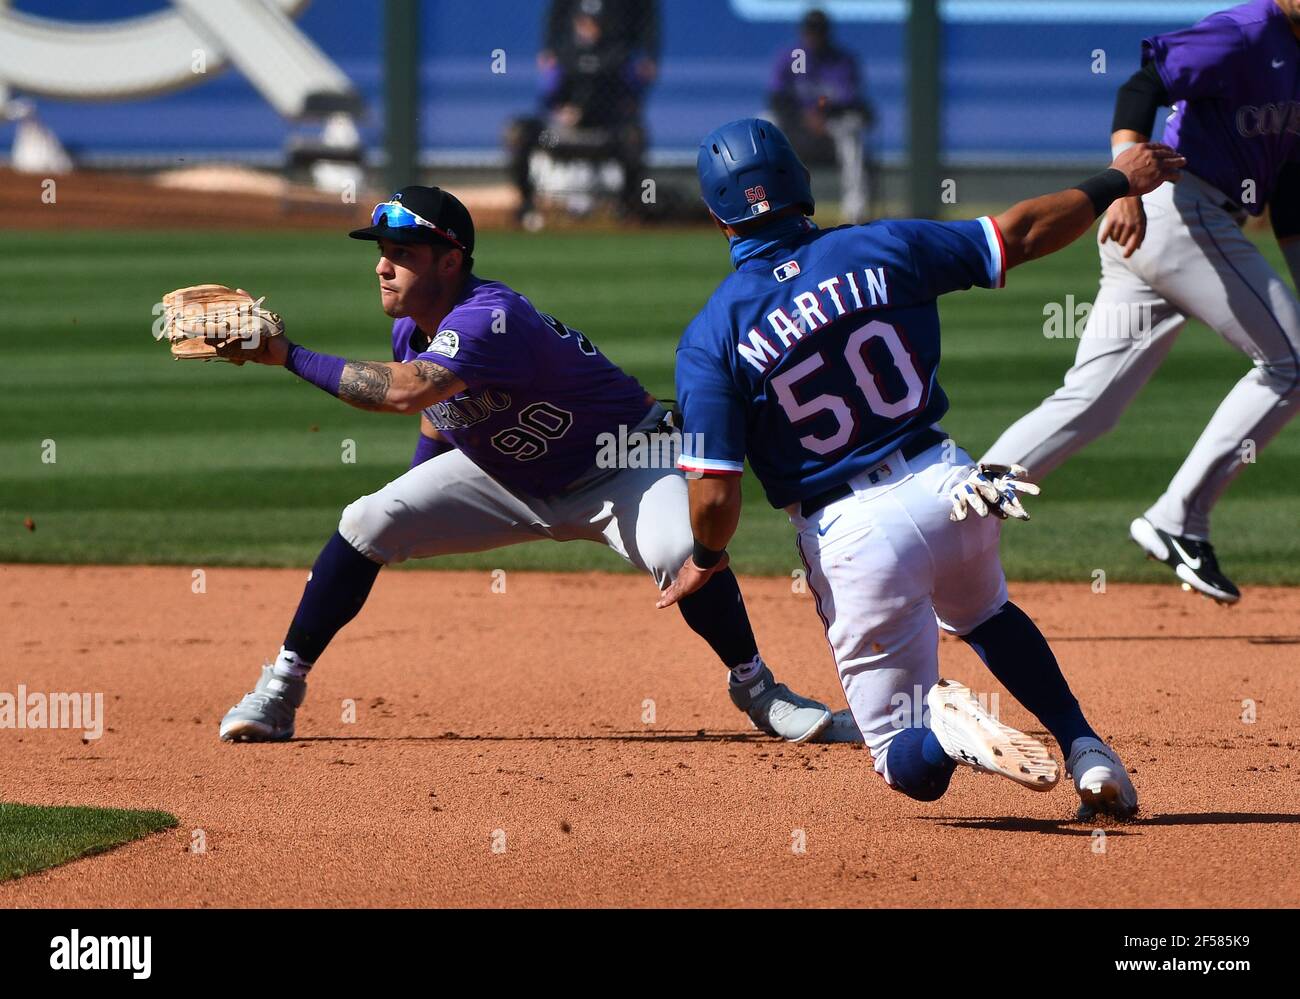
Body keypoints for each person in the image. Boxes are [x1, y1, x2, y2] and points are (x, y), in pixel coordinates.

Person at [658, 117, 1185, 817]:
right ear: (802, 184)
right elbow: (1021, 234)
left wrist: (704, 556)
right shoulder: (882, 243)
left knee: (905, 764)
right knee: (987, 611)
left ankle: (949, 735)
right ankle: (1086, 748)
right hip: (952, 486)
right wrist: (1120, 179)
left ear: (719, 220)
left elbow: (717, 494)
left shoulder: (711, 336)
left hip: (853, 534)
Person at [214, 185, 832, 745]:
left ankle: (759, 689)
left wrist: (285, 354)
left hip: (625, 463)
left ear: (449, 260)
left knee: (681, 549)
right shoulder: (413, 328)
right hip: (509, 478)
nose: (381, 265)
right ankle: (280, 689)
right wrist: (417, 485)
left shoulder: (489, 318)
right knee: (368, 520)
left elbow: (406, 392)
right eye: (381, 250)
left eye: (400, 251)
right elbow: (438, 412)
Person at [982, 0, 1300, 605]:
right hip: (1182, 210)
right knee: (1293, 362)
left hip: (1181, 227)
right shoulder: (1246, 31)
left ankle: (955, 529)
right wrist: (1122, 179)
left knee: (1091, 403)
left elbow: (1289, 189)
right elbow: (1145, 82)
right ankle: (1179, 518)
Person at [505, 0, 658, 227]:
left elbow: (630, 100)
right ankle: (527, 205)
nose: (589, 28)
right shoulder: (560, 57)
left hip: (605, 131)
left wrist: (608, 111)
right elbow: (547, 98)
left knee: (633, 136)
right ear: (576, 23)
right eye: (584, 22)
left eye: (595, 23)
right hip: (561, 133)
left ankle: (626, 208)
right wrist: (560, 112)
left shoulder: (620, 57)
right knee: (518, 131)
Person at [766, 9, 874, 223]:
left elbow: (847, 100)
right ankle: (768, 206)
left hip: (830, 123)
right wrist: (803, 115)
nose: (814, 36)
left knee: (851, 131)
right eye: (810, 31)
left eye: (819, 31)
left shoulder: (841, 60)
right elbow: (777, 97)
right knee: (765, 124)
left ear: (827, 33)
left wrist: (819, 111)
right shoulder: (790, 57)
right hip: (795, 122)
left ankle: (855, 212)